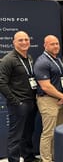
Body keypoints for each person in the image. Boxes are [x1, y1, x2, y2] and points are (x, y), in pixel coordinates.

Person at [0, 31, 40, 162]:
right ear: (14, 42)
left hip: (31, 102)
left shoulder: (29, 58)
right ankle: (14, 160)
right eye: (20, 40)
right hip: (18, 104)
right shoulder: (8, 60)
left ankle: (28, 157)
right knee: (15, 136)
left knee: (28, 134)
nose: (24, 42)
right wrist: (15, 102)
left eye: (26, 40)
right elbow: (1, 83)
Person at [34, 35, 63, 162]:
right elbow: (46, 86)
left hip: (60, 100)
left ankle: (55, 157)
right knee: (48, 133)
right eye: (52, 44)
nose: (55, 46)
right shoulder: (42, 62)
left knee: (58, 132)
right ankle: (46, 159)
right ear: (45, 45)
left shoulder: (57, 59)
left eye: (57, 44)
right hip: (48, 100)